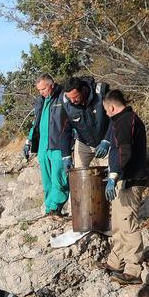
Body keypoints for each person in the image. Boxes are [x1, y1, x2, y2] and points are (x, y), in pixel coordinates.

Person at [101, 89, 149, 282]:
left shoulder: (126, 121)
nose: (106, 114)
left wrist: (113, 176)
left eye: (106, 110)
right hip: (122, 180)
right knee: (117, 223)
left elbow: (124, 151)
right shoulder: (120, 120)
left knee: (128, 224)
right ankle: (116, 261)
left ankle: (133, 268)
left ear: (112, 107)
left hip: (129, 180)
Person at [49, 75, 109, 196]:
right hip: (83, 143)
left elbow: (115, 120)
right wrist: (66, 156)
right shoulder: (67, 103)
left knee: (109, 177)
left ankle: (110, 210)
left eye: (75, 97)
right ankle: (77, 212)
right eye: (69, 98)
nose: (72, 101)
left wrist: (107, 140)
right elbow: (65, 130)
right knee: (78, 180)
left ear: (83, 90)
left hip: (105, 141)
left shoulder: (101, 93)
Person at [22, 74, 67, 217]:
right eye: (39, 90)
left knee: (59, 179)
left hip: (58, 145)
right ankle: (49, 209)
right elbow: (35, 122)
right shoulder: (41, 101)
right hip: (43, 146)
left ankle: (56, 208)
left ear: (51, 85)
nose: (41, 92)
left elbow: (71, 119)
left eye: (43, 89)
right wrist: (29, 141)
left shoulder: (62, 97)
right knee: (47, 181)